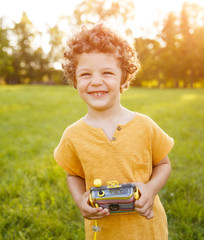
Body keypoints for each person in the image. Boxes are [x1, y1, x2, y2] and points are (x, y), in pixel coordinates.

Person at [54, 23, 174, 240]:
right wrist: (81, 199)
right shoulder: (73, 135)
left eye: (107, 73)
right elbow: (73, 174)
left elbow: (163, 164)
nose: (96, 82)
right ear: (75, 79)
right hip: (103, 233)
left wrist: (151, 189)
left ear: (123, 77)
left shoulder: (145, 126)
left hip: (146, 230)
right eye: (85, 74)